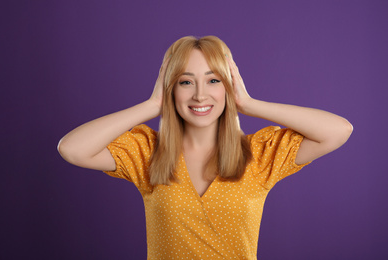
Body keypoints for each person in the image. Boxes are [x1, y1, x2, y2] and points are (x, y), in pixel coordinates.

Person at [58, 35, 353, 259]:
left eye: (213, 80)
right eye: (186, 82)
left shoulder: (259, 154)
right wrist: (152, 105)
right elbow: (72, 149)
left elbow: (338, 130)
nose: (200, 95)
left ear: (228, 86)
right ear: (170, 89)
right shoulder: (147, 152)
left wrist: (248, 104)